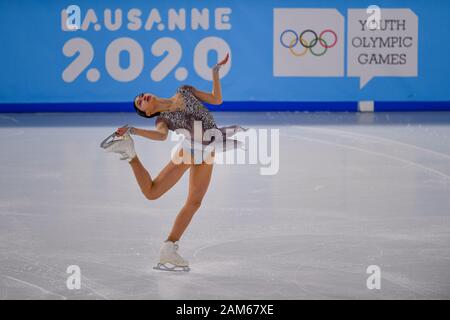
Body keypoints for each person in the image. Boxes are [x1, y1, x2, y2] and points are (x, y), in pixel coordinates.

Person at [101, 54, 246, 271]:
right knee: (151, 193)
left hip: (208, 150)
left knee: (194, 203)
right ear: (148, 113)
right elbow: (160, 136)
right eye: (140, 104)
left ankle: (169, 248)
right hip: (189, 151)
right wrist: (134, 130)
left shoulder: (184, 90)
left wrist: (215, 72)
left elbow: (216, 100)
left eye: (141, 96)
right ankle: (131, 155)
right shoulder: (163, 120)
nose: (143, 99)